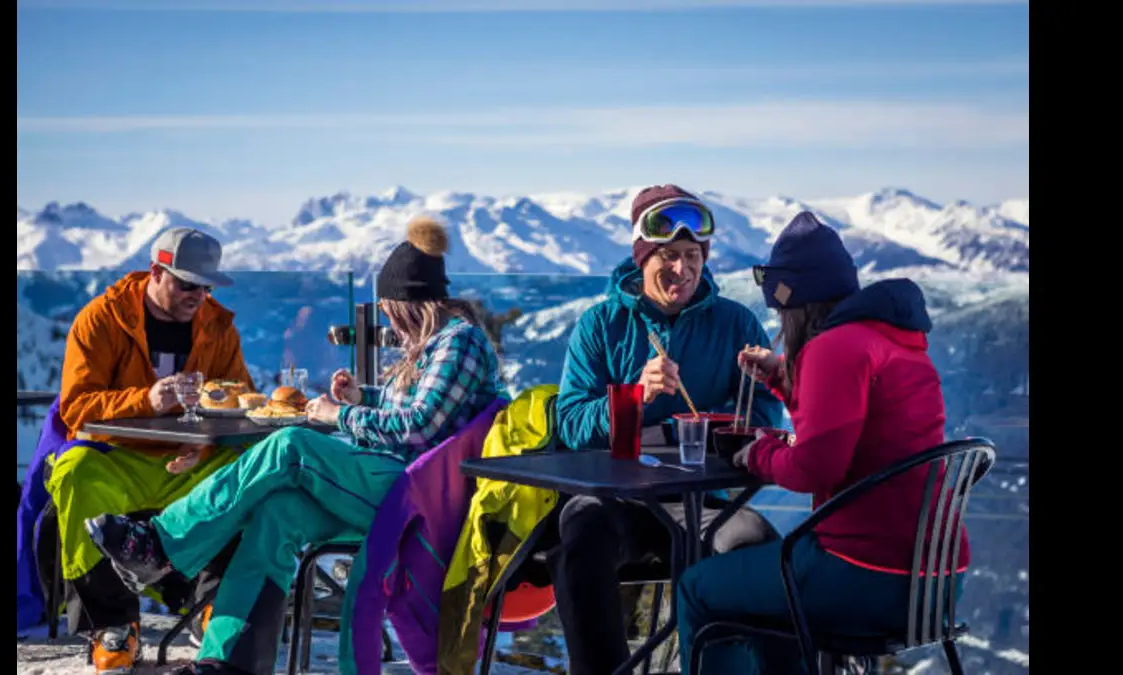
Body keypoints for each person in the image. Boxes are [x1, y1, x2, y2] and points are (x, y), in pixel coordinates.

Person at [85, 216, 508, 675]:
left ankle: (161, 545)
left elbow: (420, 425)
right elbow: (418, 406)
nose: (385, 316)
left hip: (418, 496)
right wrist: (360, 398)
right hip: (398, 482)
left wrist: (338, 415)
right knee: (277, 512)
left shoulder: (456, 342)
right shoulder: (437, 345)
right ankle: (227, 661)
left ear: (407, 302)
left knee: (290, 445)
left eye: (387, 307)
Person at [676, 211, 966, 674]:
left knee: (698, 587)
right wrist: (786, 379)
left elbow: (815, 468)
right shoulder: (889, 340)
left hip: (865, 574)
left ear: (792, 302)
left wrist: (758, 453)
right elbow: (858, 424)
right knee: (766, 600)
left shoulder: (834, 348)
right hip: (934, 583)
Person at [550, 184, 785, 675]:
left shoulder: (735, 323)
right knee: (580, 545)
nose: (682, 269)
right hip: (615, 498)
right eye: (670, 255)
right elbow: (571, 425)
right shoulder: (601, 325)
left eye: (693, 255)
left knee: (754, 548)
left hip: (701, 503)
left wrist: (718, 426)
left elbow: (764, 416)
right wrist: (634, 396)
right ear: (642, 258)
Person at [44, 227, 254, 674]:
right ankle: (114, 624)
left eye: (205, 286)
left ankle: (211, 606)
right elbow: (76, 405)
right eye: (186, 283)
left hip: (188, 458)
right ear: (155, 272)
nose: (197, 295)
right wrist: (146, 399)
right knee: (75, 471)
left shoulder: (217, 326)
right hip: (119, 458)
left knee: (249, 468)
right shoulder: (101, 319)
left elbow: (238, 397)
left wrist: (203, 445)